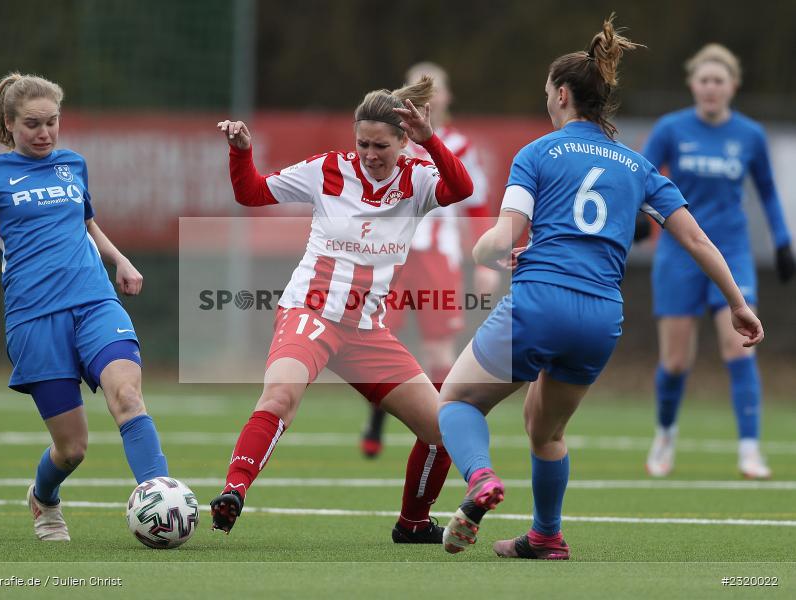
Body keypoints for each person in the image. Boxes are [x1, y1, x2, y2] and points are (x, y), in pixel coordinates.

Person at [435, 16, 764, 560]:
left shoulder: (538, 153)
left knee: (457, 401)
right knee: (544, 429)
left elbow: (503, 240)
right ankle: (545, 535)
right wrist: (738, 304)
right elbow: (698, 240)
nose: (547, 100)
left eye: (547, 92)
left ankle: (480, 479)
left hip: (541, 301)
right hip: (600, 316)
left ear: (562, 95)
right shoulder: (637, 164)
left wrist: (485, 251)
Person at [211, 76, 474, 543]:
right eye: (363, 144)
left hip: (367, 331)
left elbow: (461, 188)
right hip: (309, 312)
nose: (370, 155)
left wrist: (430, 139)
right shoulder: (326, 169)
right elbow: (251, 192)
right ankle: (233, 491)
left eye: (381, 146)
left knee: (443, 429)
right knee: (279, 398)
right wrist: (241, 152)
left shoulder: (417, 178)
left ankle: (412, 523)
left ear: (403, 140)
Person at [0, 73, 169, 541]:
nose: (44, 133)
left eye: (52, 123)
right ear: (10, 123)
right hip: (34, 319)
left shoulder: (72, 165)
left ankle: (160, 498)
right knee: (72, 448)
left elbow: (86, 224)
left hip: (95, 301)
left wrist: (119, 259)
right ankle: (44, 498)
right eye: (33, 124)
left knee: (127, 396)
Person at [642, 44, 793, 480]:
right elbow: (642, 177)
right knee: (674, 361)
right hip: (677, 253)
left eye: (718, 81)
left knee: (740, 348)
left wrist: (783, 242)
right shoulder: (671, 128)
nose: (710, 88)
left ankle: (749, 450)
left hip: (732, 253)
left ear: (733, 86)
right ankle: (665, 435)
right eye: (704, 80)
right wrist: (636, 216)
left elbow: (766, 190)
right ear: (693, 84)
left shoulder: (750, 135)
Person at [359, 61, 496, 459]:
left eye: (434, 88)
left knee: (439, 350)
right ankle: (375, 424)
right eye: (418, 88)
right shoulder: (389, 141)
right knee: (381, 341)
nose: (428, 96)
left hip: (438, 257)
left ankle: (440, 432)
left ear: (447, 95)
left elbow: (476, 205)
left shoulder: (460, 146)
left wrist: (486, 264)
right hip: (392, 259)